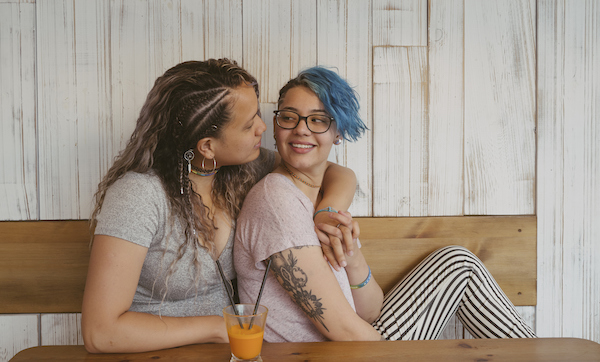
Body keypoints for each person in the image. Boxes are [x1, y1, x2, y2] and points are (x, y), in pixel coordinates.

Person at [234, 66, 537, 342]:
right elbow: (344, 330)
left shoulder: (321, 196)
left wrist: (352, 258)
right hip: (328, 353)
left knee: (457, 263)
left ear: (337, 132)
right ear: (275, 126)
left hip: (353, 341)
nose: (301, 129)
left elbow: (370, 312)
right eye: (289, 117)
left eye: (318, 120)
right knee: (459, 265)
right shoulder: (276, 200)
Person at [81, 59, 359, 353]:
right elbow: (100, 332)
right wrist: (218, 327)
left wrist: (327, 212)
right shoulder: (138, 196)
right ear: (207, 147)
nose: (263, 127)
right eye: (250, 123)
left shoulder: (244, 167)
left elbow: (335, 172)